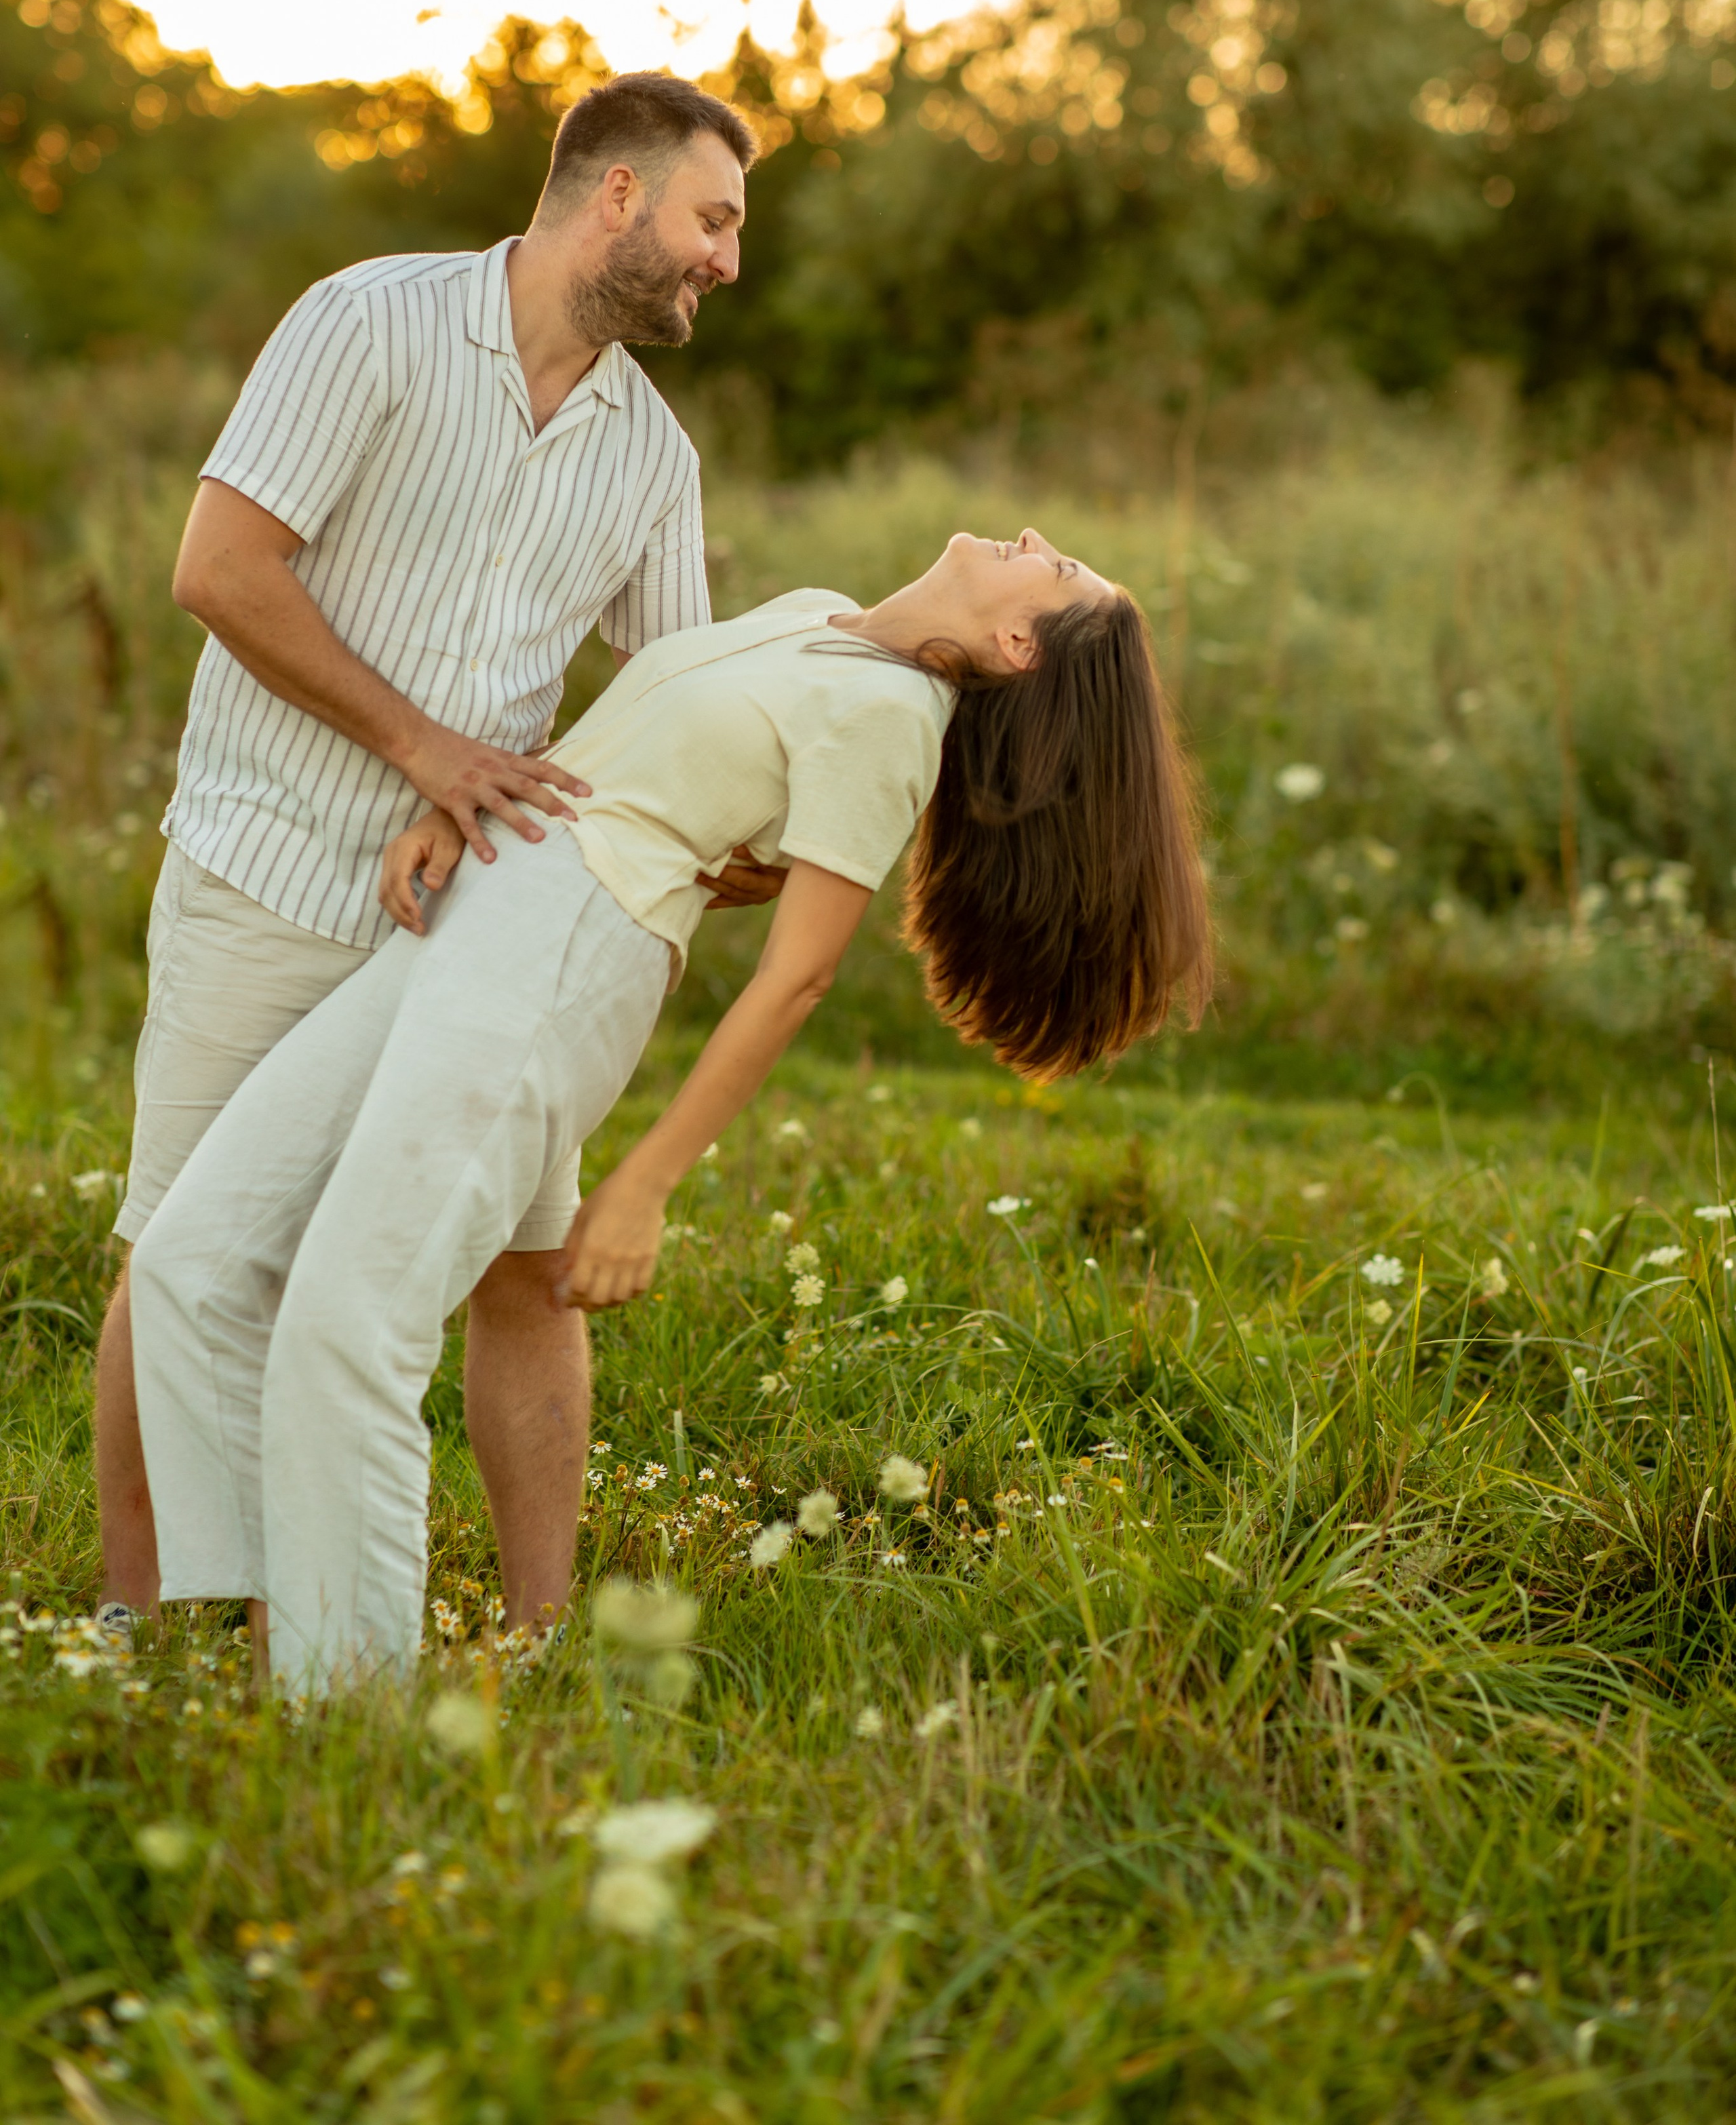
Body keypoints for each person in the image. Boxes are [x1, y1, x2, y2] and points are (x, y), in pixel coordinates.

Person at [128, 530, 1212, 1692]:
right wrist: (461, 808)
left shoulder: (894, 722)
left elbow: (796, 977)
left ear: (1015, 644)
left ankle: (344, 1708)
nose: (1038, 542)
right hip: (477, 903)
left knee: (353, 1319)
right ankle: (255, 1622)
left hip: (564, 955)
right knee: (193, 1255)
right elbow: (610, 751)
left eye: (1058, 575)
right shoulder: (815, 604)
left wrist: (643, 1184)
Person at [96, 72, 785, 1654]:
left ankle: (543, 1636)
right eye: (712, 219)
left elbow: (671, 697)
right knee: (187, 1250)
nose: (724, 262)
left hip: (472, 929)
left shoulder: (649, 460)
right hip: (267, 872)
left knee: (527, 1270)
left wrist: (728, 826)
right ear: (616, 196)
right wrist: (429, 753)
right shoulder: (369, 325)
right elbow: (220, 567)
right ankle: (142, 1627)